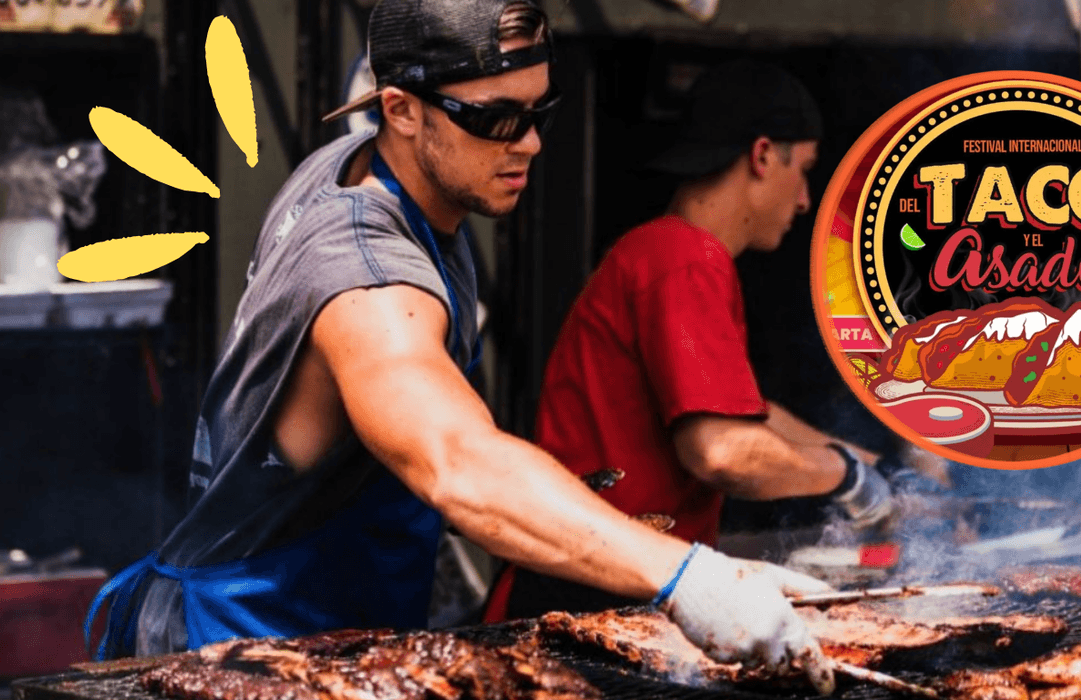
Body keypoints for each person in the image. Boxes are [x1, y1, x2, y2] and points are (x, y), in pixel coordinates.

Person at [84, 1, 842, 692]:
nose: (532, 143)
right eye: (497, 119)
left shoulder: (372, 169)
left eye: (537, 111)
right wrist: (688, 578)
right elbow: (456, 460)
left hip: (339, 636)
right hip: (250, 654)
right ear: (401, 111)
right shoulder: (371, 281)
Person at [484, 60, 921, 622]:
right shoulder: (685, 258)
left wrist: (883, 467)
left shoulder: (666, 253)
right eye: (804, 170)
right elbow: (723, 451)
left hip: (600, 588)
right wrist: (851, 480)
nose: (806, 199)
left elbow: (750, 416)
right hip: (586, 598)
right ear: (763, 155)